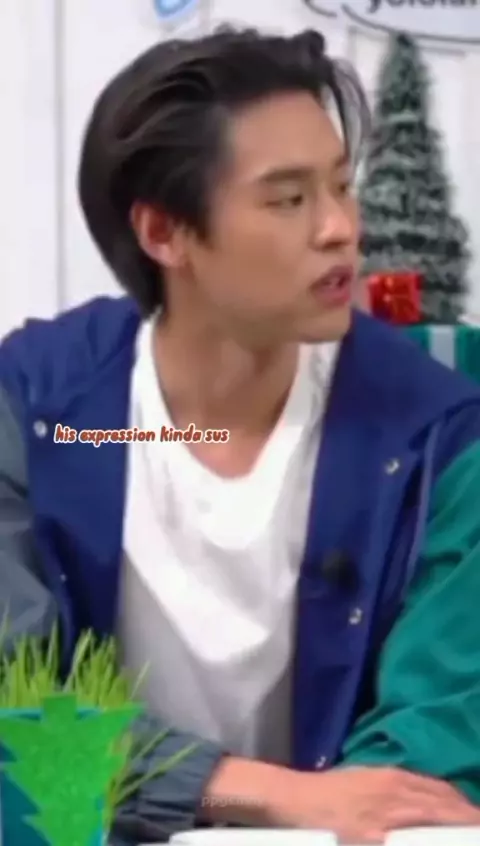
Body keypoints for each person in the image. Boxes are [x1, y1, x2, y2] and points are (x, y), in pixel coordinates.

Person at [1, 26, 480, 846]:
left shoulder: (438, 427)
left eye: (342, 186)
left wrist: (319, 819)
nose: (340, 228)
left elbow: (440, 727)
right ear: (164, 233)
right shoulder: (44, 407)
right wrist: (251, 792)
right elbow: (15, 702)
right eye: (288, 200)